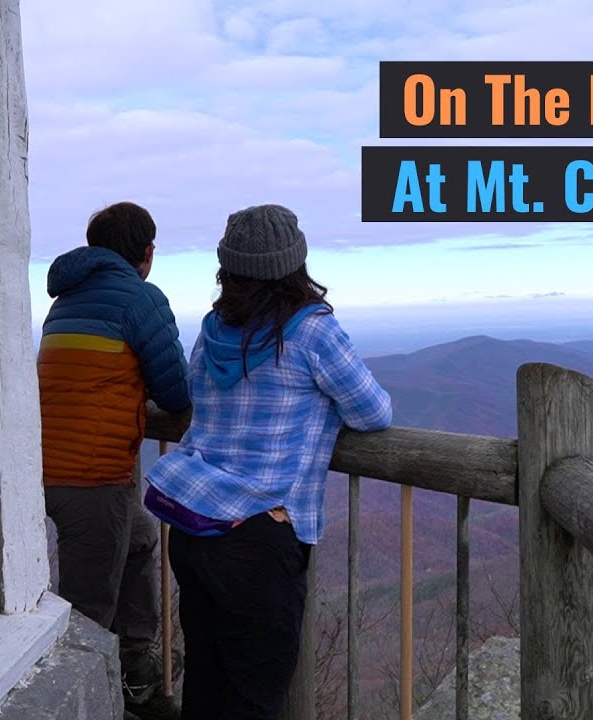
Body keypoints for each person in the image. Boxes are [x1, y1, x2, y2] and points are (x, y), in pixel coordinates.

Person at [144, 204, 393, 719]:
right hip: (260, 535)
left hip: (195, 528)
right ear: (294, 264)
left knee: (207, 686)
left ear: (229, 268)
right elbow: (373, 412)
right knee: (256, 699)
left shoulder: (213, 328)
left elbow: (194, 391)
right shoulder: (312, 332)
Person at [38, 201, 190, 716]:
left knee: (142, 538)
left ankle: (134, 673)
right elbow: (175, 392)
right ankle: (101, 703)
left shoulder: (66, 300)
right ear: (147, 253)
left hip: (43, 467)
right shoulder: (140, 299)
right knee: (87, 616)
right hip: (91, 476)